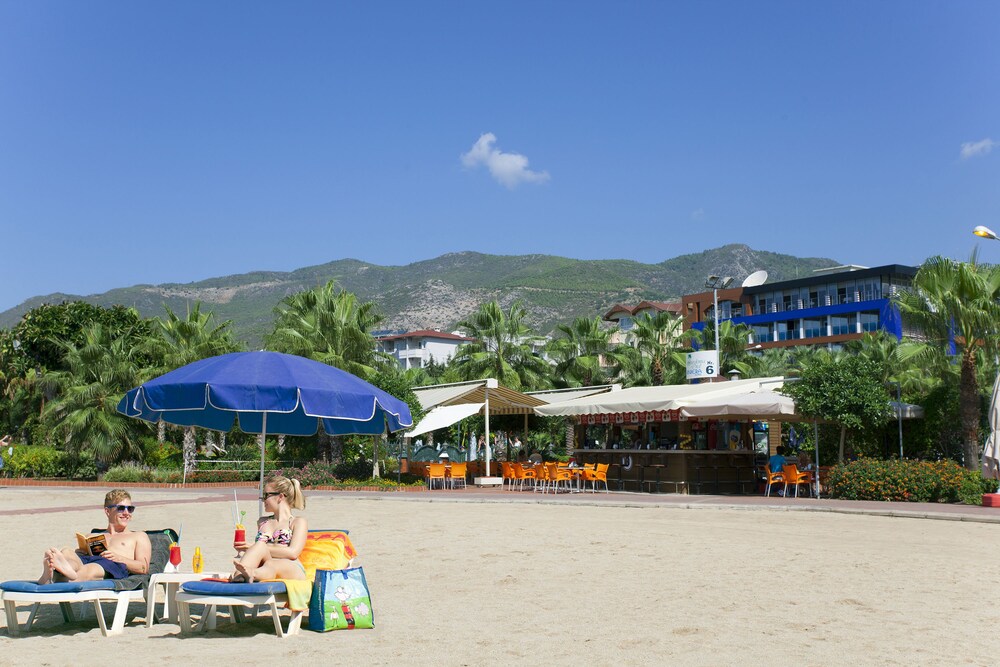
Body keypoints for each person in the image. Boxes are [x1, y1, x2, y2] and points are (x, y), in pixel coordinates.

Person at [37, 489, 152, 584]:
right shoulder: (93, 535)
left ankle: (51, 576)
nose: (126, 513)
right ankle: (61, 570)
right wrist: (80, 553)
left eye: (130, 509)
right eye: (121, 508)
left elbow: (144, 568)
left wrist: (118, 558)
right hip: (88, 560)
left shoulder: (138, 536)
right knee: (67, 551)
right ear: (107, 511)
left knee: (90, 569)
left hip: (113, 566)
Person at [232, 474, 308, 583]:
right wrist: (251, 549)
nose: (263, 500)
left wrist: (252, 547)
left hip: (291, 566)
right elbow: (260, 552)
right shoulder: (262, 522)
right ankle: (239, 575)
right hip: (266, 564)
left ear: (280, 496)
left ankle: (252, 573)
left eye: (266, 495)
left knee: (269, 559)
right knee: (261, 548)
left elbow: (293, 553)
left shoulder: (297, 522)